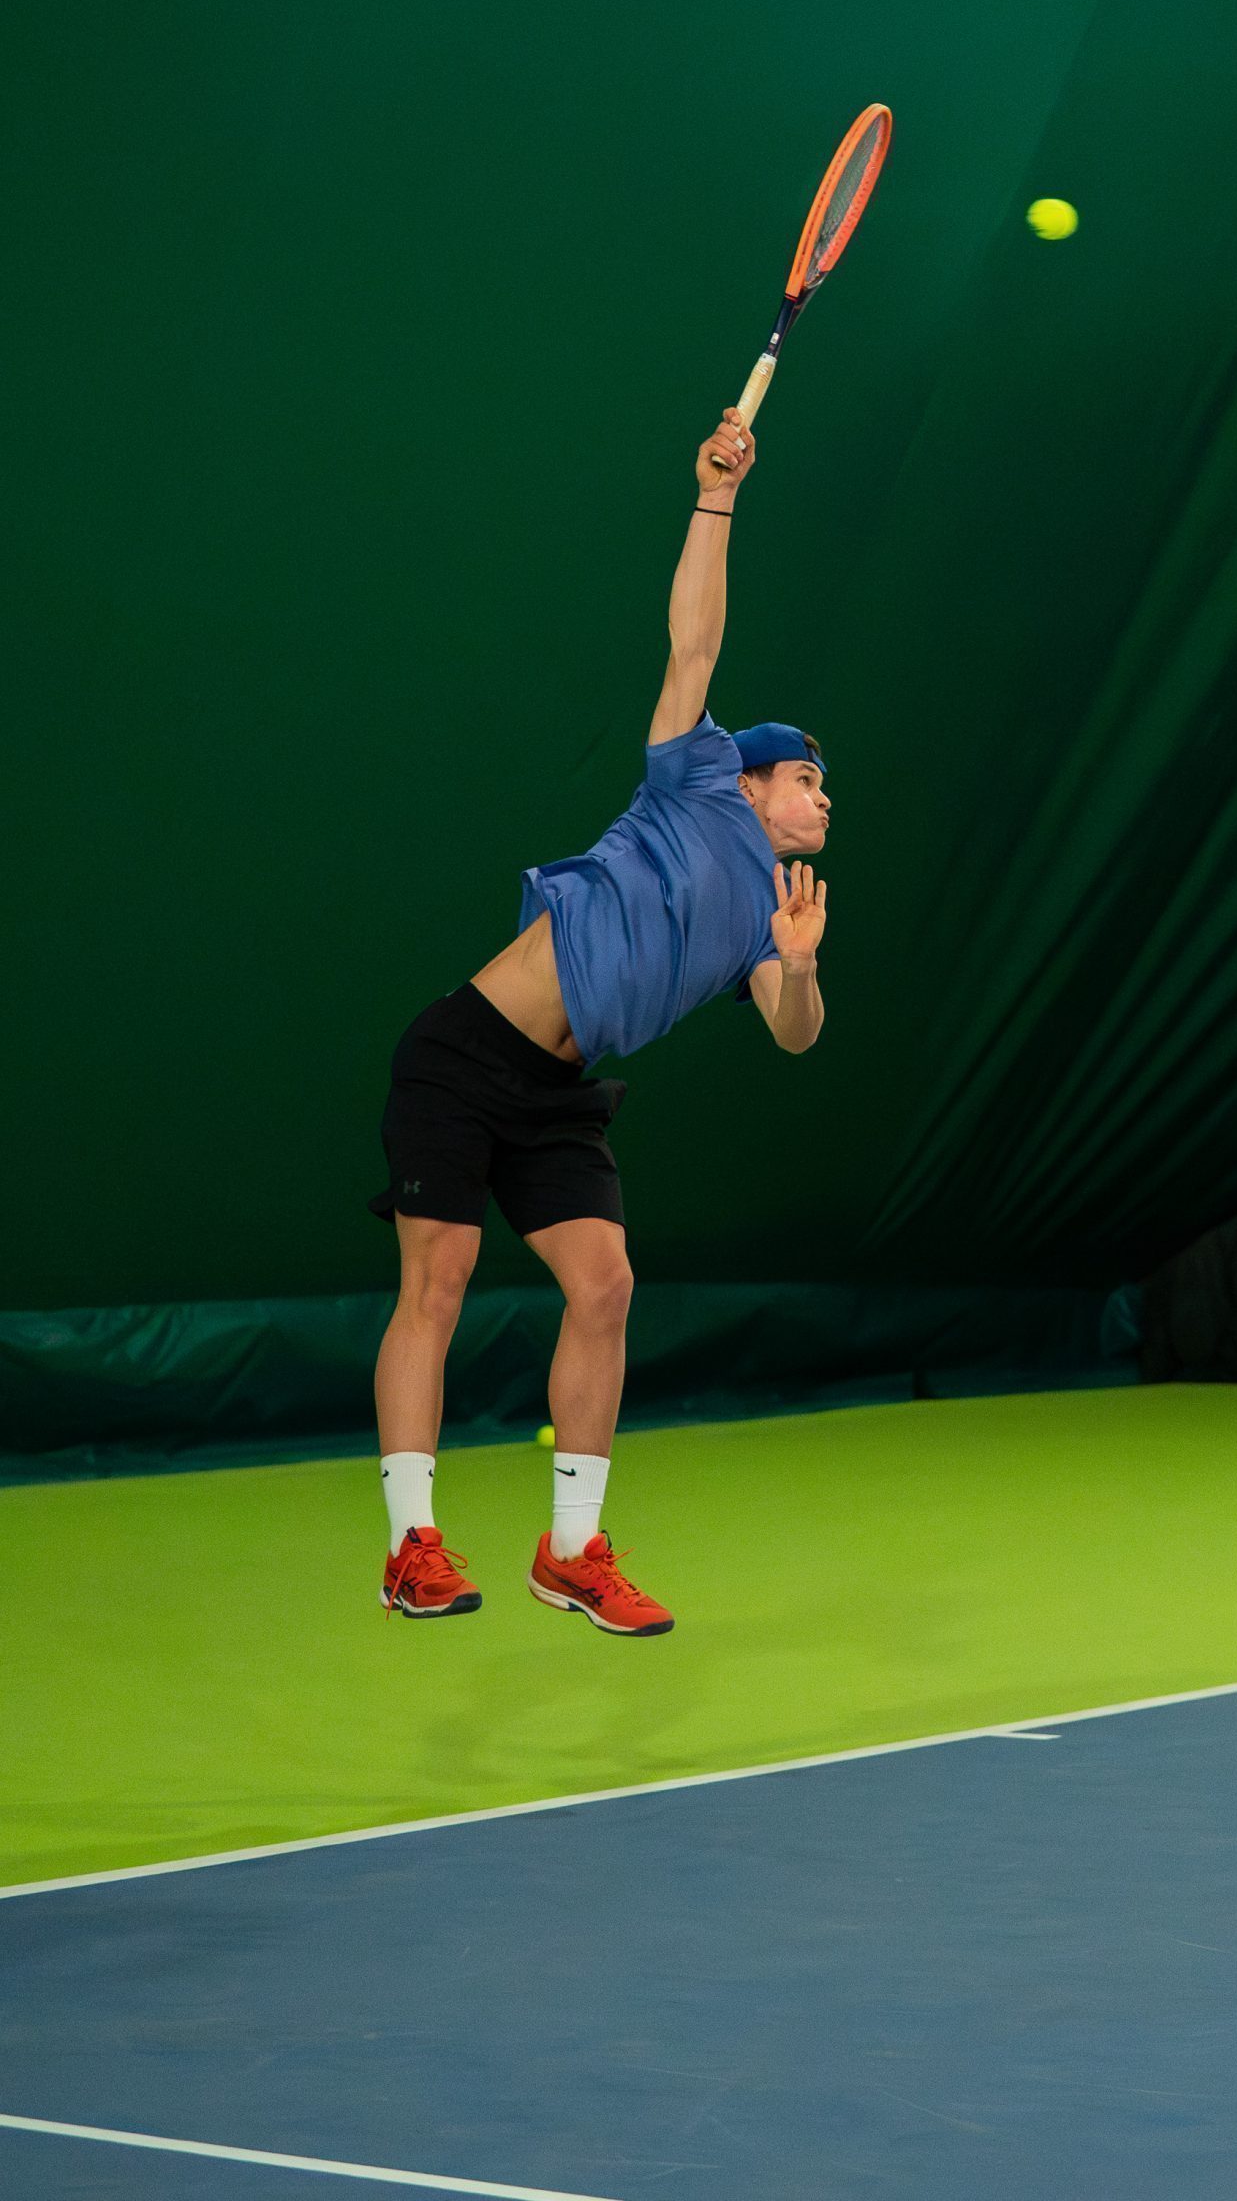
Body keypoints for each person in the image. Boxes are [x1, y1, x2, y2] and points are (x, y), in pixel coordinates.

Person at [366, 407, 830, 1632]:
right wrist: (717, 495)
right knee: (439, 1278)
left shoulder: (771, 916)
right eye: (805, 778)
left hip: (557, 1092)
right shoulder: (694, 778)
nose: (822, 798)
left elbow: (793, 1032)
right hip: (464, 1053)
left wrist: (797, 966)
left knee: (608, 1283)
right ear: (747, 780)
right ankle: (411, 1542)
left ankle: (570, 1550)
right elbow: (694, 638)